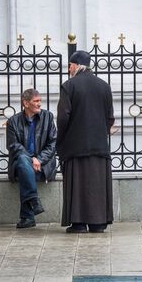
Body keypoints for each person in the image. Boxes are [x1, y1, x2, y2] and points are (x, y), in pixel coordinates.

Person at [57, 50, 115, 233]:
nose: (68, 70)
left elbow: (63, 117)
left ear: (75, 66)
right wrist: (101, 133)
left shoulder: (69, 86)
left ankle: (79, 223)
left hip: (76, 145)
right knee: (97, 184)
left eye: (69, 66)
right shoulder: (104, 86)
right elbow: (110, 117)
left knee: (78, 184)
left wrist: (62, 140)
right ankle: (98, 222)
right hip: (99, 145)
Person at [6, 88, 57, 228]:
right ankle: (33, 200)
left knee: (24, 167)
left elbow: (53, 143)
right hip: (23, 162)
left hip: (43, 164)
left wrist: (39, 159)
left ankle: (28, 216)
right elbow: (12, 145)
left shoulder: (48, 117)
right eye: (36, 101)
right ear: (26, 103)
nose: (40, 104)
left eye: (40, 101)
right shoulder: (13, 121)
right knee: (23, 161)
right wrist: (31, 158)